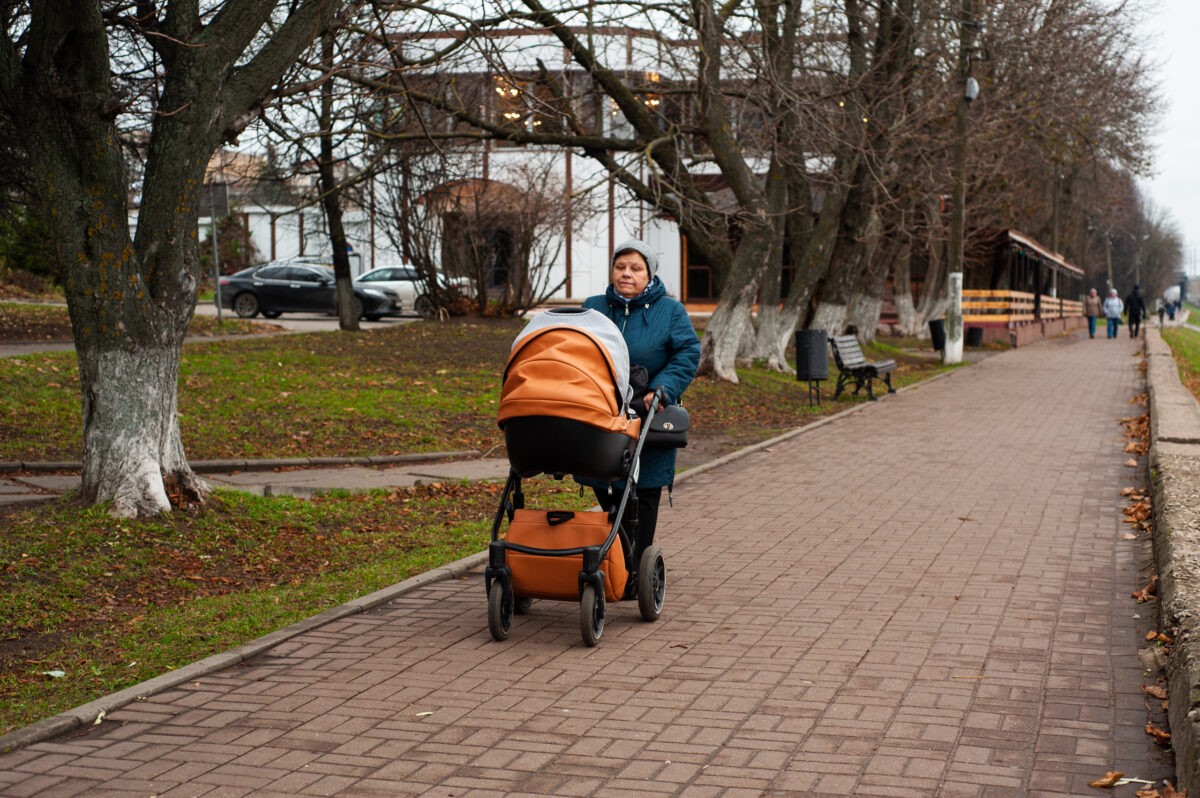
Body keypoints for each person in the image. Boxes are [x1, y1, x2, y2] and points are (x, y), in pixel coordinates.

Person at [581, 239, 700, 595]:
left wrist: (663, 387)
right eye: (621, 267)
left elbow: (687, 353)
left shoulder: (669, 311)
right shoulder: (594, 308)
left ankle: (635, 571)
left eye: (635, 268)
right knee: (607, 487)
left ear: (649, 274)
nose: (626, 274)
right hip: (604, 411)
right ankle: (615, 562)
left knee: (644, 492)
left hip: (649, 411)